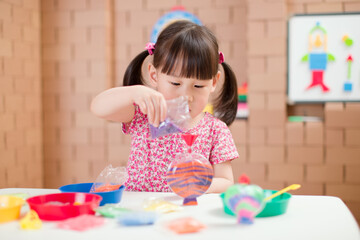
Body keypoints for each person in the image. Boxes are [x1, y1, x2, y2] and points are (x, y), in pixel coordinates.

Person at [91, 20, 239, 193]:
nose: (187, 96)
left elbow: (226, 181)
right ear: (154, 76)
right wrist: (134, 93)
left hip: (184, 212)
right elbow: (98, 107)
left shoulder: (216, 130)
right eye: (176, 83)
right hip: (140, 211)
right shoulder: (144, 113)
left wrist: (199, 186)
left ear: (213, 82)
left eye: (198, 86)